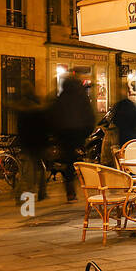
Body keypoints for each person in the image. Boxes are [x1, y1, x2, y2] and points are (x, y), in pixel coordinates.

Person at [51, 73, 95, 202]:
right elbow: (89, 116)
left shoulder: (61, 97)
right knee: (80, 159)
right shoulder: (82, 97)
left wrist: (57, 135)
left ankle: (70, 191)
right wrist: (86, 132)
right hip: (79, 134)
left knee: (69, 161)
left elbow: (55, 117)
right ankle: (88, 186)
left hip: (64, 135)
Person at [15, 84, 51, 201]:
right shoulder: (39, 105)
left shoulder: (22, 106)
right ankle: (40, 192)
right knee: (40, 168)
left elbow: (20, 127)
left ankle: (27, 193)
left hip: (27, 142)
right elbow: (45, 125)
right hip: (38, 142)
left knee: (29, 168)